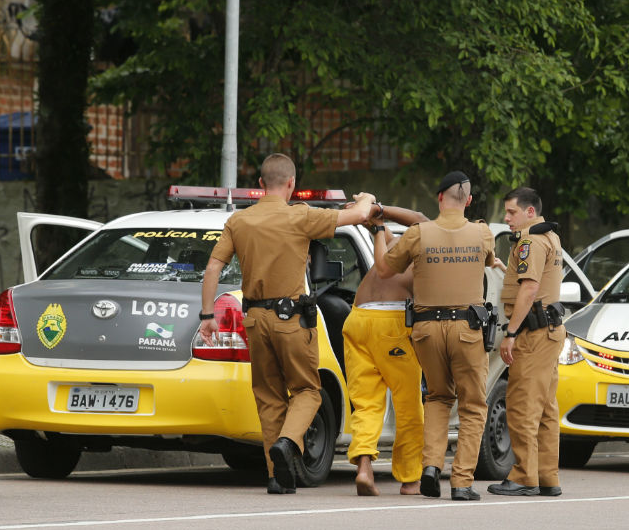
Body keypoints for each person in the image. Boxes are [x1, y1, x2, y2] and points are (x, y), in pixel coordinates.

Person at [199, 153, 378, 494]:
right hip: (291, 320)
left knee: (268, 398)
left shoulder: (239, 221)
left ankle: (277, 477)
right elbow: (359, 215)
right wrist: (366, 198)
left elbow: (213, 268)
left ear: (260, 184)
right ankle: (288, 441)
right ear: (292, 184)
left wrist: (208, 316)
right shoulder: (301, 216)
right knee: (307, 391)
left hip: (255, 319)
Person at [372, 170, 496, 501]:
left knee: (438, 398)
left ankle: (430, 467)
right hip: (467, 329)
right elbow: (489, 260)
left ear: (439, 197)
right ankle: (462, 481)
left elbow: (383, 269)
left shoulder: (418, 234)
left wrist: (379, 231)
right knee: (473, 405)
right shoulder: (482, 233)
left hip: (426, 330)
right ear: (469, 200)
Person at [343, 204, 430, 496]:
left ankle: (364, 467)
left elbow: (386, 229)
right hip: (390, 324)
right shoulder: (429, 250)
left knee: (366, 402)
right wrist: (380, 210)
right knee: (408, 405)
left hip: (357, 318)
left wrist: (377, 216)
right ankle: (410, 479)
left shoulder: (393, 246)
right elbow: (420, 219)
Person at [487, 187, 565, 497]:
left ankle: (523, 477)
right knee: (545, 408)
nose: (507, 218)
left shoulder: (530, 241)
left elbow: (530, 289)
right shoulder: (550, 236)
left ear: (530, 212)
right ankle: (546, 476)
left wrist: (510, 333)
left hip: (533, 334)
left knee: (521, 405)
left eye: (512, 212)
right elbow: (535, 280)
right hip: (550, 331)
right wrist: (503, 268)